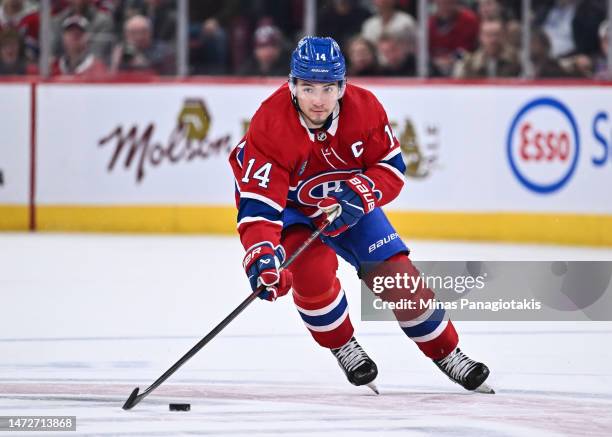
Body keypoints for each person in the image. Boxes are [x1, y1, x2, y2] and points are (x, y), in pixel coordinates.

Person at [229, 36, 492, 393]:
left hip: (349, 204)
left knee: (399, 280)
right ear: (292, 85)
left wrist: (361, 194)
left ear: (342, 86)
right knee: (312, 276)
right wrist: (261, 254)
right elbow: (260, 203)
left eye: (327, 88)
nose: (317, 100)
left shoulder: (365, 109)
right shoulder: (271, 123)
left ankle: (448, 353)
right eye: (307, 88)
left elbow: (392, 168)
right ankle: (342, 344)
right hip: (291, 209)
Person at [453, 19, 520, 78]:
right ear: (481, 37)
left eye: (496, 34)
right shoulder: (470, 63)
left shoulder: (516, 60)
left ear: (503, 35)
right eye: (488, 35)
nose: (493, 40)